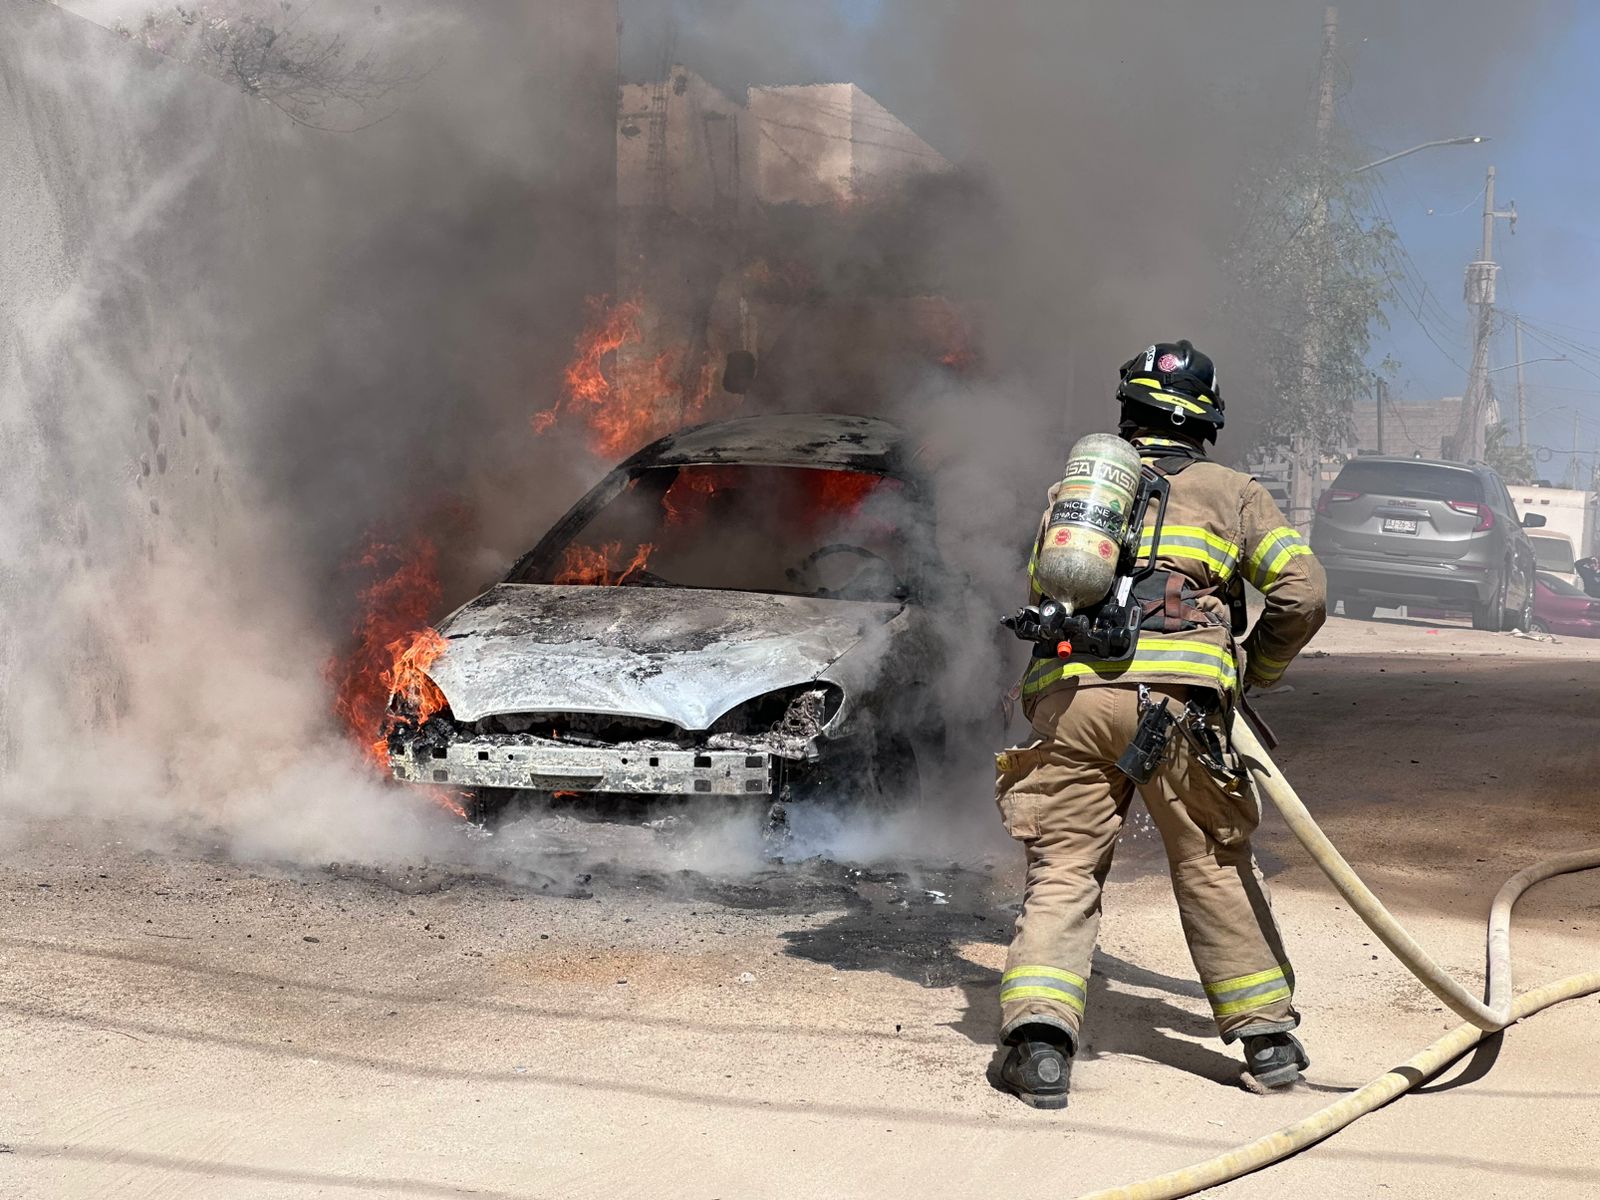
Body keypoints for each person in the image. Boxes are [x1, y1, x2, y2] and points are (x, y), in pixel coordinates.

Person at [992, 341, 1328, 1109]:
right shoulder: (1234, 492)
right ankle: (1269, 1044)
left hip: (1074, 700)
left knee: (1065, 871)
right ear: (1206, 422)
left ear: (1126, 414)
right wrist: (1255, 670)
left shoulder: (1077, 494)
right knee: (1212, 861)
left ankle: (1040, 1049)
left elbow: (1049, 591)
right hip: (1182, 706)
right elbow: (1302, 594)